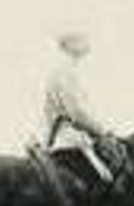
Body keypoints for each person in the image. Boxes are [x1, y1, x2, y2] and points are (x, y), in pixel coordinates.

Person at [43, 32, 117, 192]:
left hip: (74, 140)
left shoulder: (69, 71)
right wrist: (104, 132)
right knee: (105, 181)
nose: (85, 43)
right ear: (68, 45)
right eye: (80, 39)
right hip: (70, 142)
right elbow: (76, 113)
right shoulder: (65, 72)